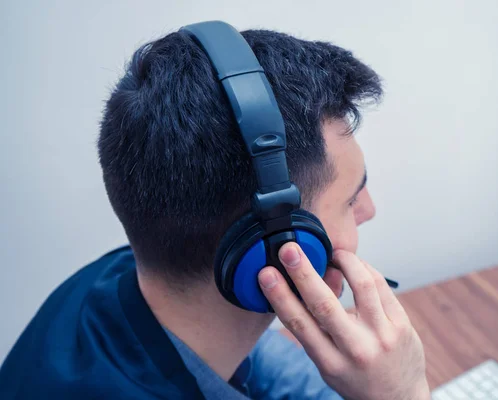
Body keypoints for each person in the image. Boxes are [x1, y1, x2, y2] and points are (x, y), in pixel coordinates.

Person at [0, 21, 430, 400]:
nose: (369, 210)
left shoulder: (127, 281)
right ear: (273, 249)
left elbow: (266, 371)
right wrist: (403, 392)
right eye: (352, 198)